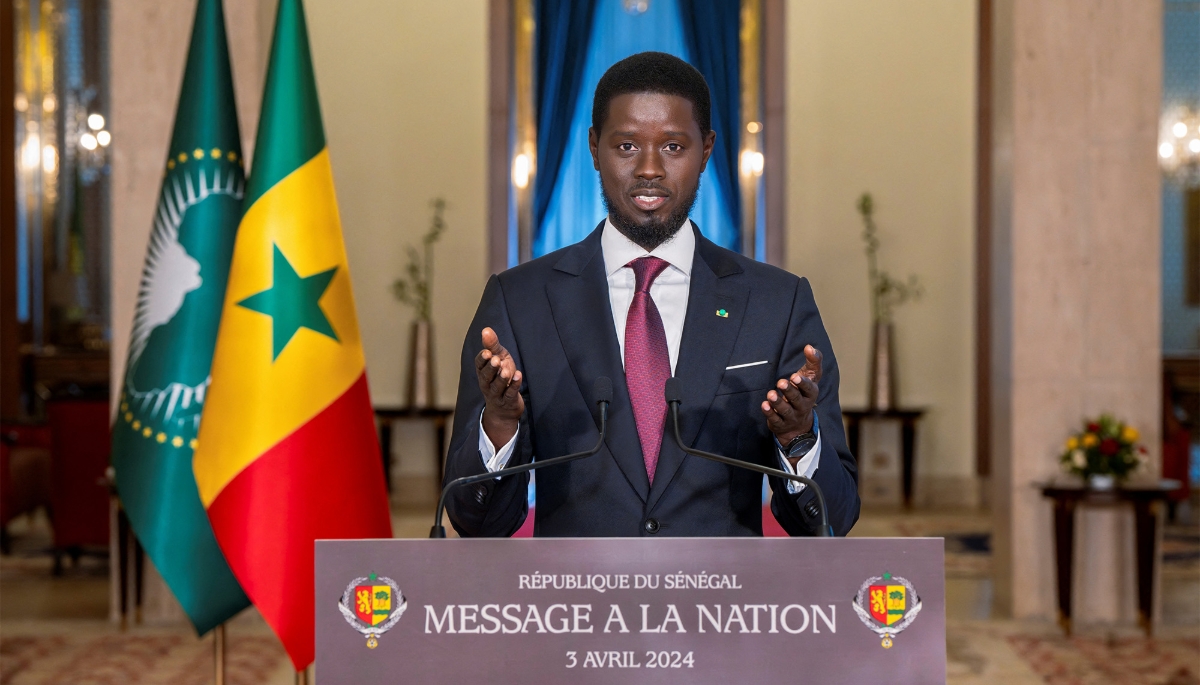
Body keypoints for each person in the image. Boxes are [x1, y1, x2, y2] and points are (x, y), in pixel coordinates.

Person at [444, 51, 859, 537]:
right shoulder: (520, 301)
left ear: (706, 150)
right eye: (625, 146)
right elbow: (475, 521)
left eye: (673, 147)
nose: (649, 169)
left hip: (722, 606)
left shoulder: (777, 303)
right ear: (594, 148)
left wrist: (796, 439)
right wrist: (499, 424)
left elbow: (835, 518)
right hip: (576, 604)